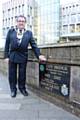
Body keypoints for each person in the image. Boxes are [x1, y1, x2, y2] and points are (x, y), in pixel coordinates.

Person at [4, 15, 46, 98]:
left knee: (22, 74)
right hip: (12, 56)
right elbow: (7, 44)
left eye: (23, 21)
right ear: (16, 22)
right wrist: (6, 56)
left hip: (23, 56)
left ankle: (22, 88)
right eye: (19, 21)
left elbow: (34, 45)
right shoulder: (11, 31)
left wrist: (39, 55)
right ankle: (13, 89)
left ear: (25, 23)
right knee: (12, 74)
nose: (21, 23)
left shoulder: (29, 33)